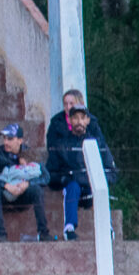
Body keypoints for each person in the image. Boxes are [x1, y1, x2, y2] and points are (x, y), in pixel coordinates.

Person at [46, 102, 117, 241]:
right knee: (72, 187)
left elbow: (112, 171)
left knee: (100, 188)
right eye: (75, 118)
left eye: (82, 118)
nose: (79, 121)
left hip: (92, 186)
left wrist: (102, 179)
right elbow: (51, 172)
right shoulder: (62, 144)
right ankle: (70, 228)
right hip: (73, 187)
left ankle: (107, 228)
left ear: (88, 120)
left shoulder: (98, 143)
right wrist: (64, 179)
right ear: (70, 120)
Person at [0, 123, 54, 243]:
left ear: (20, 140)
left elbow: (46, 177)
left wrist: (28, 184)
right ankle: (1, 235)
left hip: (23, 194)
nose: (6, 142)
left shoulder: (29, 153)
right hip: (3, 194)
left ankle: (43, 233)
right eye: (4, 138)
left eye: (10, 139)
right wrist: (6, 185)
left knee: (37, 190)